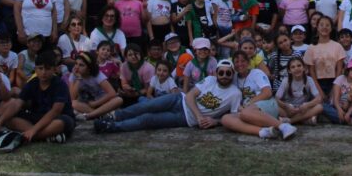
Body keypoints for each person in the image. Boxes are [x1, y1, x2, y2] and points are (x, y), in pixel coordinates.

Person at [94, 58, 242, 133]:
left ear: (232, 74)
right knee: (148, 105)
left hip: (186, 118)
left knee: (148, 120)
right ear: (216, 73)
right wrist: (199, 116)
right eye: (221, 72)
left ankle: (113, 127)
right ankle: (115, 116)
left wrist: (215, 121)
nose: (224, 75)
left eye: (228, 73)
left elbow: (234, 117)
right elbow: (190, 96)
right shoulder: (210, 80)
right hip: (180, 100)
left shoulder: (235, 93)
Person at [0, 49, 75, 143]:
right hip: (37, 116)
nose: (43, 72)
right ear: (35, 69)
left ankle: (32, 135)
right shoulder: (32, 83)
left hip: (56, 117)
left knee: (62, 122)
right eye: (40, 68)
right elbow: (17, 104)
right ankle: (44, 136)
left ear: (54, 69)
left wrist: (34, 130)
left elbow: (55, 111)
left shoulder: (60, 84)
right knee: (9, 119)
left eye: (47, 69)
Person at [220, 51, 296, 140]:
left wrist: (247, 104)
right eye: (236, 61)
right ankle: (264, 132)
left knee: (245, 113)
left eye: (243, 61)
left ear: (248, 63)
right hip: (247, 110)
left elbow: (267, 92)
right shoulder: (234, 77)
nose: (240, 64)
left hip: (266, 103)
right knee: (225, 119)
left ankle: (283, 126)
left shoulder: (256, 73)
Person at [275, 57, 324, 125]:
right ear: (289, 70)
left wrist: (307, 105)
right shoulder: (286, 81)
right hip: (289, 110)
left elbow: (319, 98)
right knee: (275, 107)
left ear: (304, 68)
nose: (296, 69)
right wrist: (286, 106)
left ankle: (291, 121)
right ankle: (303, 120)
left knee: (319, 107)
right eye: (293, 67)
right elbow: (276, 99)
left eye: (299, 65)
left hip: (303, 109)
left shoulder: (309, 80)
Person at [323, 59, 352, 126]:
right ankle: (348, 121)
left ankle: (339, 119)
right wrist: (339, 110)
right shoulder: (340, 78)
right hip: (336, 106)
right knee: (323, 106)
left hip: (349, 108)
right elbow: (335, 99)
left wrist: (348, 113)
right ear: (348, 70)